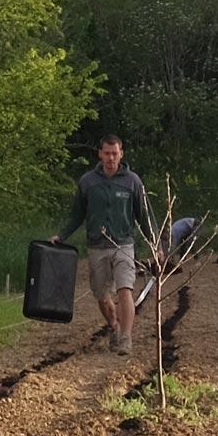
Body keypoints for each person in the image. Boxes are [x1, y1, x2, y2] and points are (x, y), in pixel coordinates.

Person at [53, 136, 150, 356]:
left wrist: (155, 243)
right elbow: (77, 215)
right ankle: (114, 325)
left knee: (125, 289)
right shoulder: (88, 182)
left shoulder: (132, 181)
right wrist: (61, 235)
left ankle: (126, 338)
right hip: (97, 246)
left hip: (123, 244)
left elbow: (142, 216)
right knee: (102, 296)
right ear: (100, 154)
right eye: (106, 153)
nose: (110, 158)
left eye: (114, 153)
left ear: (121, 154)